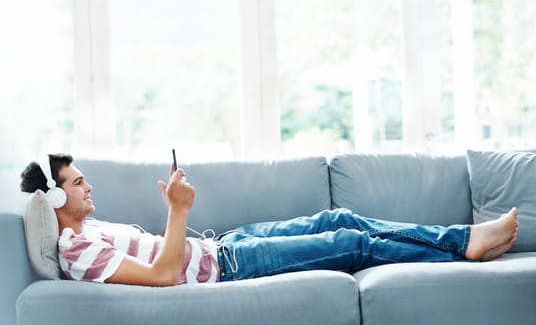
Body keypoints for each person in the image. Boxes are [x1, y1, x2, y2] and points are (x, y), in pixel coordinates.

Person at [20, 154, 519, 287]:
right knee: (350, 243)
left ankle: (462, 240)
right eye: (79, 182)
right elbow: (163, 276)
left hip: (226, 246)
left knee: (338, 216)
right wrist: (178, 209)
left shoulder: (94, 230)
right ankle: (465, 245)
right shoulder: (75, 250)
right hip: (230, 268)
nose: (89, 187)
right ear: (59, 193)